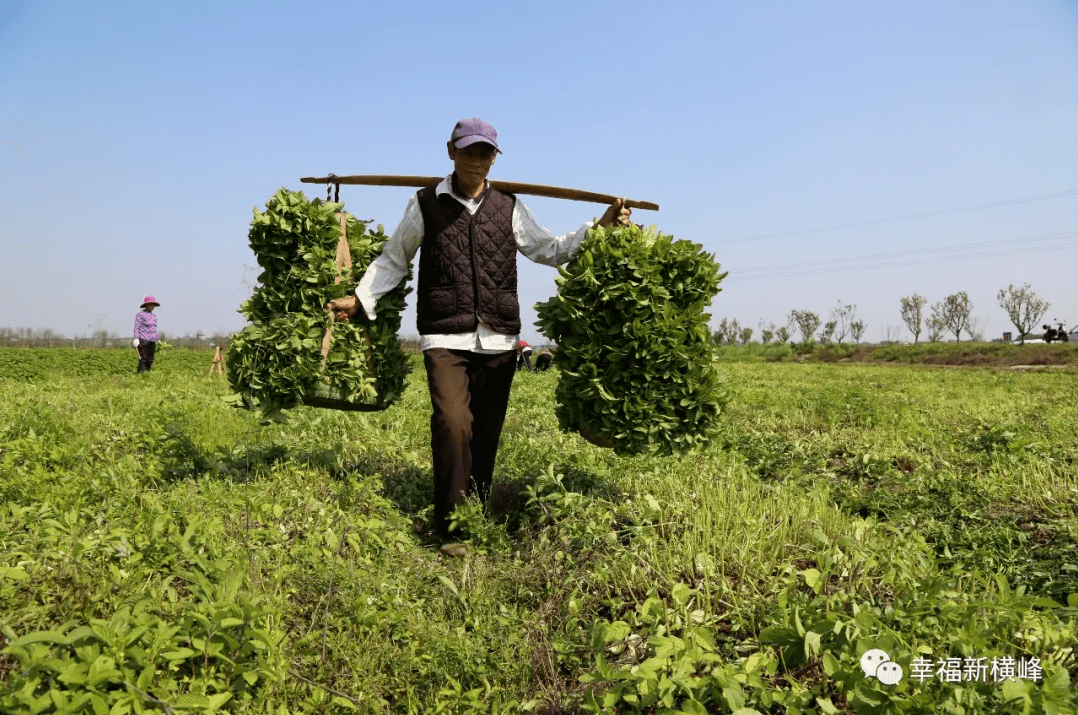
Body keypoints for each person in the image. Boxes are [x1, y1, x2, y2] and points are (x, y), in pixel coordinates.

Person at [326, 117, 631, 554]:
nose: (476, 160)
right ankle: (451, 528)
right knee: (453, 424)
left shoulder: (508, 206)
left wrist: (600, 228)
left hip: (500, 339)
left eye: (485, 153)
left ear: (494, 158)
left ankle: (477, 513)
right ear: (451, 152)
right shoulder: (425, 204)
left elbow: (549, 249)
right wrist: (359, 299)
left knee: (485, 434)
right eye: (468, 151)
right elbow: (395, 258)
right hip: (445, 336)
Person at [133, 296, 160, 373]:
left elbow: (154, 329)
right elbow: (137, 327)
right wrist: (136, 338)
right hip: (143, 339)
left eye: (153, 305)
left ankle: (147, 373)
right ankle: (141, 374)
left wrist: (157, 339)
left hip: (152, 340)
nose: (152, 306)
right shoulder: (140, 314)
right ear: (146, 305)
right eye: (150, 304)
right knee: (144, 358)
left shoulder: (154, 316)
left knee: (150, 359)